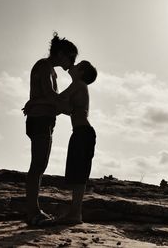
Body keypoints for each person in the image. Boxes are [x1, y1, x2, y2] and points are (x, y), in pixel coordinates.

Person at [23, 32, 78, 226]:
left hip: (43, 119)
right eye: (71, 57)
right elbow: (51, 97)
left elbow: (48, 99)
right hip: (39, 120)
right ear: (61, 53)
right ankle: (32, 212)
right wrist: (71, 108)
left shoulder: (49, 69)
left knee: (39, 166)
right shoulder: (43, 66)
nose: (72, 62)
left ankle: (33, 210)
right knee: (37, 166)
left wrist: (40, 102)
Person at [54, 60, 97, 224]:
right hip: (81, 132)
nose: (73, 66)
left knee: (79, 174)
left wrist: (37, 101)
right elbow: (65, 108)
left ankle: (75, 214)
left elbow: (59, 99)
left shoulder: (78, 84)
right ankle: (75, 213)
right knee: (77, 174)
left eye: (77, 65)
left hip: (83, 133)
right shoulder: (79, 87)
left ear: (81, 72)